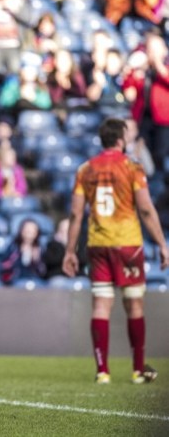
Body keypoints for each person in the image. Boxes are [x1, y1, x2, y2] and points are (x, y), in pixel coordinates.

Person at [63, 118, 169, 385]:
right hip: (128, 244)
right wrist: (162, 243)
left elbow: (76, 214)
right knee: (134, 304)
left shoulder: (85, 169)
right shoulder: (132, 167)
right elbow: (145, 208)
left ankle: (102, 371)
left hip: (97, 244)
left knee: (101, 305)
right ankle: (137, 370)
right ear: (121, 140)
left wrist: (69, 251)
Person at [0, 219, 46, 284]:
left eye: (32, 231)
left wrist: (36, 259)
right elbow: (5, 265)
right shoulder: (13, 247)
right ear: (21, 231)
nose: (29, 233)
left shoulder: (40, 248)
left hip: (35, 281)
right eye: (27, 230)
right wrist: (17, 256)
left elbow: (43, 271)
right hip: (16, 280)